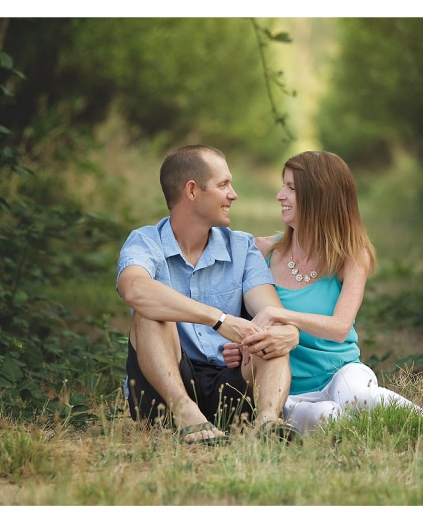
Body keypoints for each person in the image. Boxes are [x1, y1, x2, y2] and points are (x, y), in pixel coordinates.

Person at [223, 150, 423, 434]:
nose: (280, 195)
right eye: (283, 185)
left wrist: (277, 313)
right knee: (327, 417)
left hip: (342, 374)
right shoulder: (262, 250)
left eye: (291, 188)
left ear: (319, 197)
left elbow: (340, 328)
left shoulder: (351, 255)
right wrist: (239, 347)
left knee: (361, 396)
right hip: (288, 388)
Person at [116, 144, 301, 444]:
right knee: (150, 311)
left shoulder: (241, 247)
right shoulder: (145, 242)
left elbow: (271, 312)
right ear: (192, 191)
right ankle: (187, 414)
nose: (233, 194)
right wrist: (219, 319)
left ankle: (268, 423)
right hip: (165, 391)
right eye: (223, 184)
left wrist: (286, 331)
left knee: (272, 330)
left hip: (230, 386)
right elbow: (134, 289)